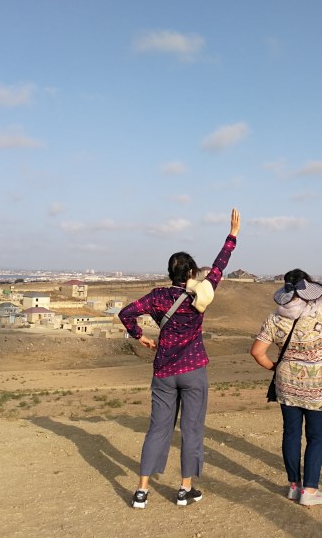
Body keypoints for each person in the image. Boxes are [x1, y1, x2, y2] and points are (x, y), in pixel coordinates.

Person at [118, 209, 241, 509]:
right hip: (193, 369)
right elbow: (219, 267)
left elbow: (125, 313)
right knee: (192, 428)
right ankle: (185, 489)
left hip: (163, 371)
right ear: (190, 274)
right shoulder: (198, 296)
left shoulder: (157, 296)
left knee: (158, 428)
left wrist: (139, 336)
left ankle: (141, 491)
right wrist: (232, 236)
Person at [251, 251, 322, 506]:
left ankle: (294, 486)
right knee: (315, 437)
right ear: (308, 290)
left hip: (287, 386)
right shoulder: (321, 310)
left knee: (291, 434)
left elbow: (257, 352)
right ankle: (310, 491)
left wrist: (274, 367)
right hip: (319, 387)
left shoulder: (274, 318)